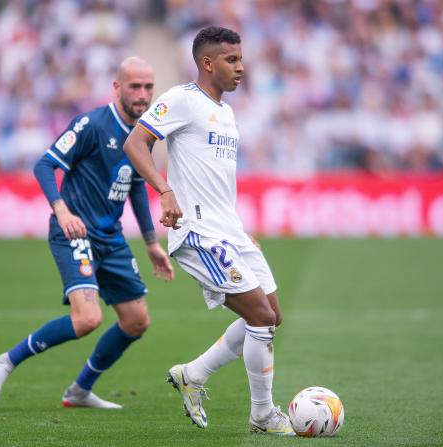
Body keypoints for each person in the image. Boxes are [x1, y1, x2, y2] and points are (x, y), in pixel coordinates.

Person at [123, 27, 294, 435]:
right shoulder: (183, 99)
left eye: (240, 58)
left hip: (229, 229)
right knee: (258, 315)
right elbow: (135, 143)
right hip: (197, 232)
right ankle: (263, 415)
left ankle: (193, 374)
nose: (240, 67)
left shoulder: (226, 112)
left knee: (272, 318)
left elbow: (214, 178)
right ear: (207, 63)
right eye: (232, 60)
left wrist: (238, 228)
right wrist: (164, 190)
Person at [0, 57, 174, 409]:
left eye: (148, 86)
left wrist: (151, 244)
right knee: (88, 319)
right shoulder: (92, 124)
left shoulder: (144, 135)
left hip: (110, 238)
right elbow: (44, 164)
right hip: (74, 232)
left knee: (136, 321)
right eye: (135, 86)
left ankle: (80, 390)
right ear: (117, 87)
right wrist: (61, 208)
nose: (143, 94)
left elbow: (135, 188)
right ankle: (4, 362)